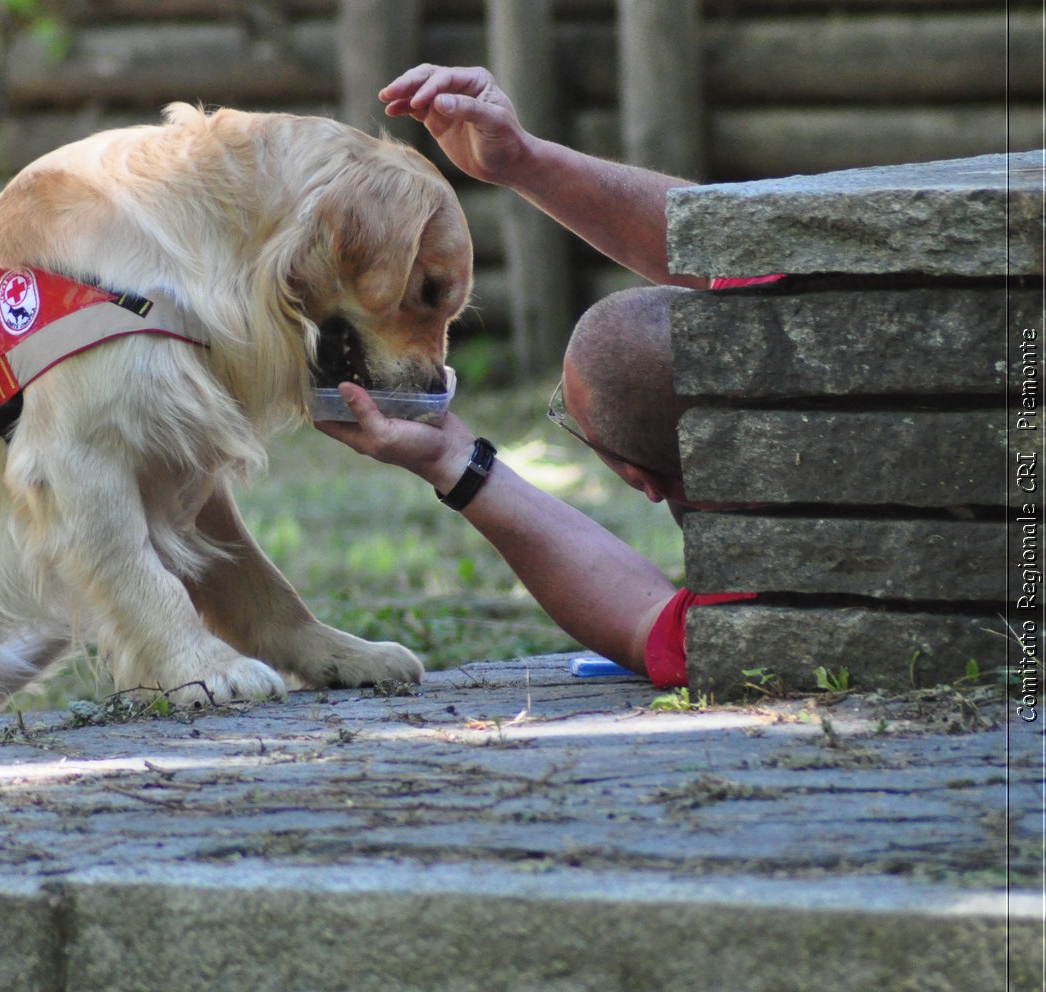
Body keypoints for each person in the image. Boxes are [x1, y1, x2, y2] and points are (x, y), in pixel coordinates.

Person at [315, 65, 758, 686]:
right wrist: (521, 159)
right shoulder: (854, 307)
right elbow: (754, 248)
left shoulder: (767, 607)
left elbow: (645, 624)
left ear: (644, 479)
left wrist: (451, 458)